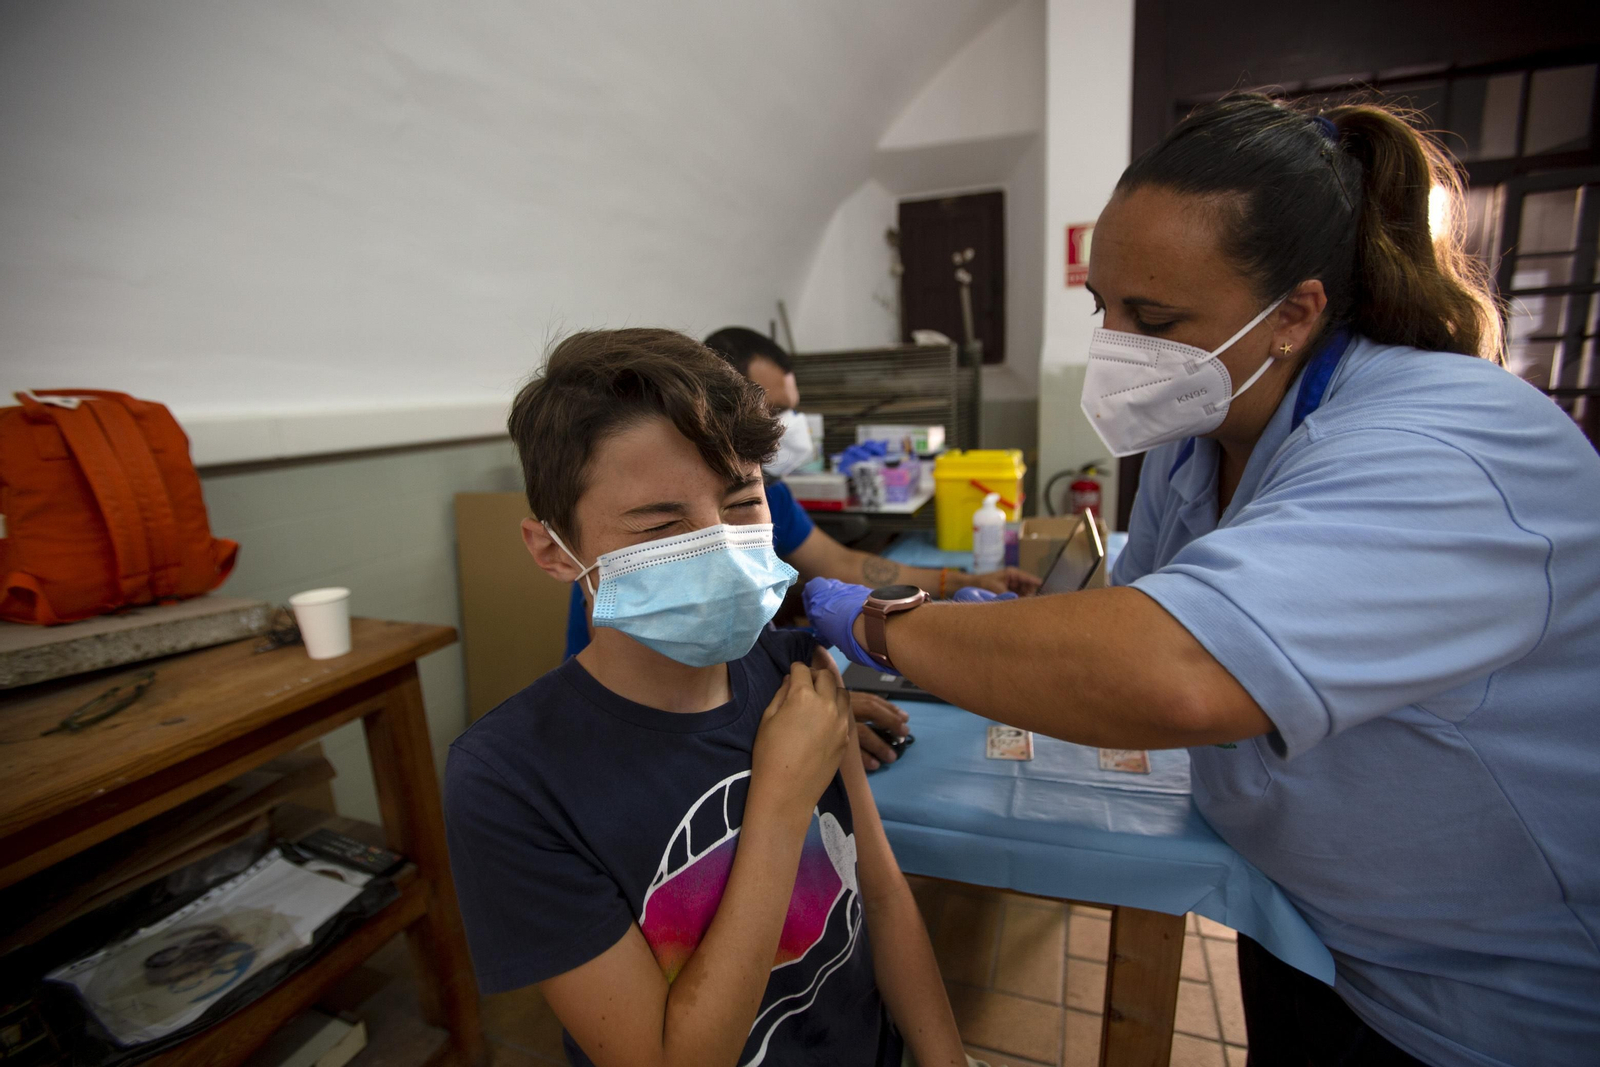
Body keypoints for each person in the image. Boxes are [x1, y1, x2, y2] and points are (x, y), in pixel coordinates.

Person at [803, 96, 1600, 1067]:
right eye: (1103, 309)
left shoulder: (1450, 446)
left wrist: (881, 624)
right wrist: (1023, 630)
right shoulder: (1203, 440)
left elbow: (1174, 668)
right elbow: (1145, 607)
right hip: (1317, 932)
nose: (1115, 346)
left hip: (1490, 999)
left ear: (1294, 313)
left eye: (1154, 318)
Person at [443, 329, 968, 1067]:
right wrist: (781, 801)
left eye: (743, 500)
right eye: (662, 523)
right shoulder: (509, 780)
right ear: (554, 549)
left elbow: (880, 896)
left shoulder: (798, 674)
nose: (720, 545)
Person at [563, 325, 1041, 770]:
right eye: (664, 523)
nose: (787, 427)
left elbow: (841, 563)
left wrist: (959, 582)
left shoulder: (770, 496)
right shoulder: (620, 565)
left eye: (742, 503)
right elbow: (666, 699)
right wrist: (781, 728)